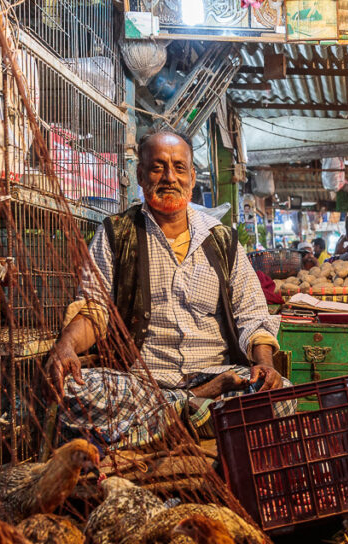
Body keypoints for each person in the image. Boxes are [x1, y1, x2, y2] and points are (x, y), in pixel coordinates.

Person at [45, 129, 285, 445]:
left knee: (283, 397)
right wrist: (65, 345)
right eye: (158, 167)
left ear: (192, 176)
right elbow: (94, 310)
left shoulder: (222, 240)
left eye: (179, 167)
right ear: (141, 175)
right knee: (76, 388)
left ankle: (155, 425)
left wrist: (265, 365)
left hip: (217, 373)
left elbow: (252, 315)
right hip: (143, 383)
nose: (169, 177)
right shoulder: (118, 234)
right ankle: (195, 409)